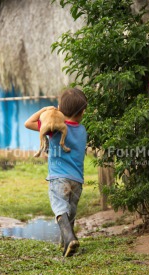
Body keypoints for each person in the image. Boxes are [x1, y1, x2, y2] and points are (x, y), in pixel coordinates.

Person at [24, 88, 87, 257]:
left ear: (59, 108)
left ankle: (69, 238)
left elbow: (28, 123)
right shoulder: (82, 131)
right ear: (82, 112)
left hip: (58, 178)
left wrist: (44, 110)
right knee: (70, 213)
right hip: (77, 180)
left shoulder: (54, 129)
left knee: (60, 210)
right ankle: (66, 241)